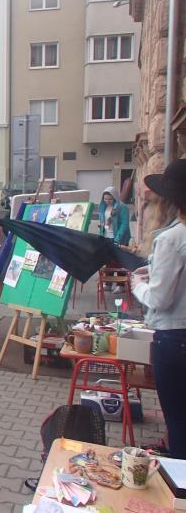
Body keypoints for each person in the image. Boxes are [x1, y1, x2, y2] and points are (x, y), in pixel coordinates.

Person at [131, 159, 186, 460]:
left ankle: (178, 488)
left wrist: (137, 285)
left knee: (177, 418)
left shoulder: (172, 238)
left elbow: (160, 298)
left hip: (175, 338)